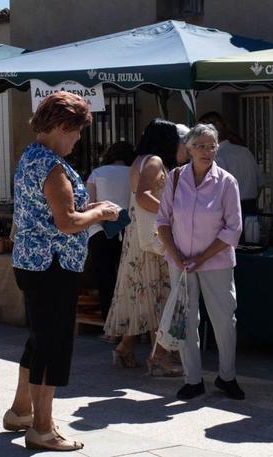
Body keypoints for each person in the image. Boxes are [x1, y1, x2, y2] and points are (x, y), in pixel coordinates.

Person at [4, 91, 119, 452]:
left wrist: (92, 206)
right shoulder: (52, 165)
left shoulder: (31, 156)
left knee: (39, 339)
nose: (79, 138)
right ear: (60, 126)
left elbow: (53, 209)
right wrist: (100, 215)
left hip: (33, 262)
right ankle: (41, 428)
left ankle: (21, 410)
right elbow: (67, 221)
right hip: (53, 265)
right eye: (77, 131)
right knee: (51, 346)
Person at [157, 123, 245, 401]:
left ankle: (227, 376)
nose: (207, 151)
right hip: (180, 262)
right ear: (189, 149)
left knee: (223, 320)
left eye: (212, 146)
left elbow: (233, 228)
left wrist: (200, 257)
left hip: (215, 262)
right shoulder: (174, 178)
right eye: (201, 146)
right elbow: (162, 221)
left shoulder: (226, 182)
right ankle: (192, 378)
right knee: (186, 319)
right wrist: (176, 254)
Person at [104, 119, 182, 375]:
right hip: (152, 238)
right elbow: (143, 196)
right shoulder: (155, 162)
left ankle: (126, 348)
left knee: (143, 295)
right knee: (159, 296)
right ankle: (159, 358)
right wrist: (172, 213)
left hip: (137, 237)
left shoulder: (139, 160)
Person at [87, 141, 135, 319]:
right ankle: (132, 324)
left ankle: (110, 325)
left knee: (105, 279)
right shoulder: (134, 173)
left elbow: (89, 204)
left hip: (100, 230)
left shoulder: (97, 173)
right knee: (129, 279)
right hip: (128, 230)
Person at [199, 112, 259, 213]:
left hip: (228, 212)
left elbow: (214, 191)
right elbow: (259, 183)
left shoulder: (216, 156)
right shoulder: (245, 152)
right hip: (251, 211)